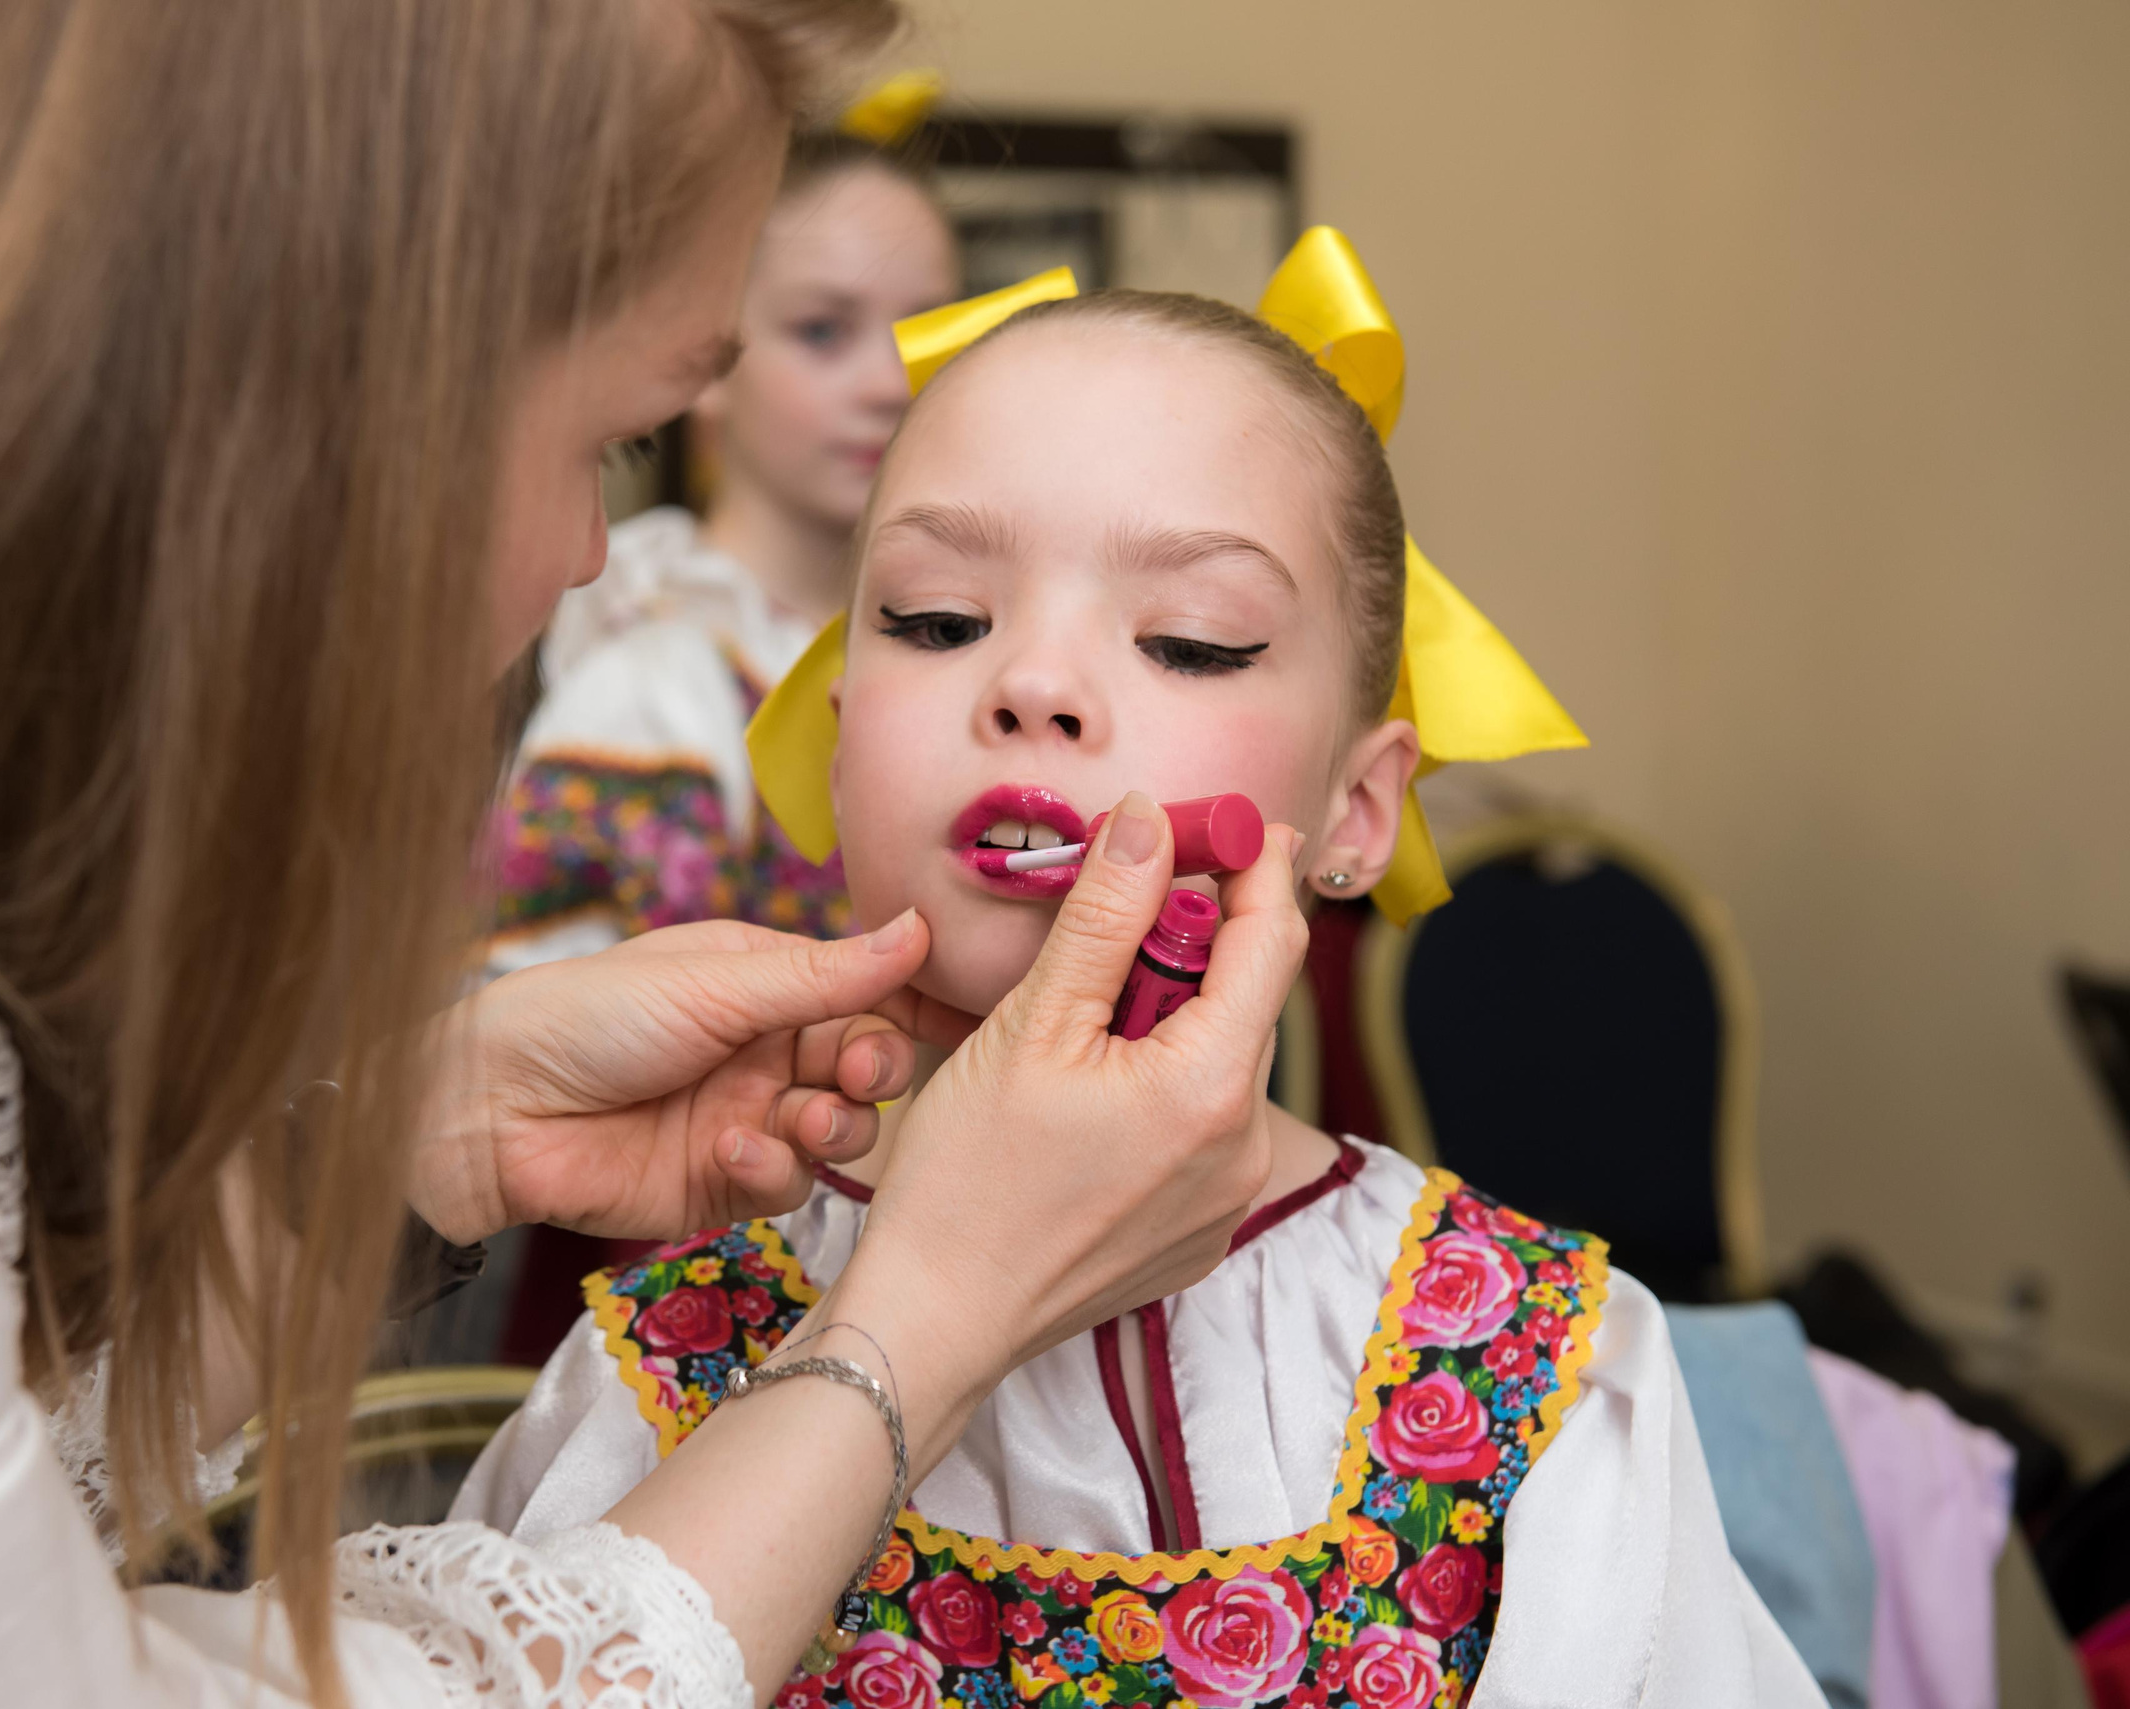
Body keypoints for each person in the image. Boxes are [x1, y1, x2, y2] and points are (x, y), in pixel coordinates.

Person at [0, 7, 1305, 1706]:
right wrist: (921, 1321)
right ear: (286, 411)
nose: (577, 555)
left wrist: (426, 1127)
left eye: (1198, 639)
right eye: (604, 444)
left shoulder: (1570, 1378)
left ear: (1368, 795)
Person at [452, 274, 1827, 1705]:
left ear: (1359, 810)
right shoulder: (664, 1366)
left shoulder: (1543, 1367)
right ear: (843, 744)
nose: (1035, 683)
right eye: (936, 620)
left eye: (1190, 640)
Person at [488, 131, 958, 971]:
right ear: (704, 354)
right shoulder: (651, 689)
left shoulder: (982, 664)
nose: (892, 383)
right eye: (822, 331)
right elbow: (523, 1046)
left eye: (929, 332)